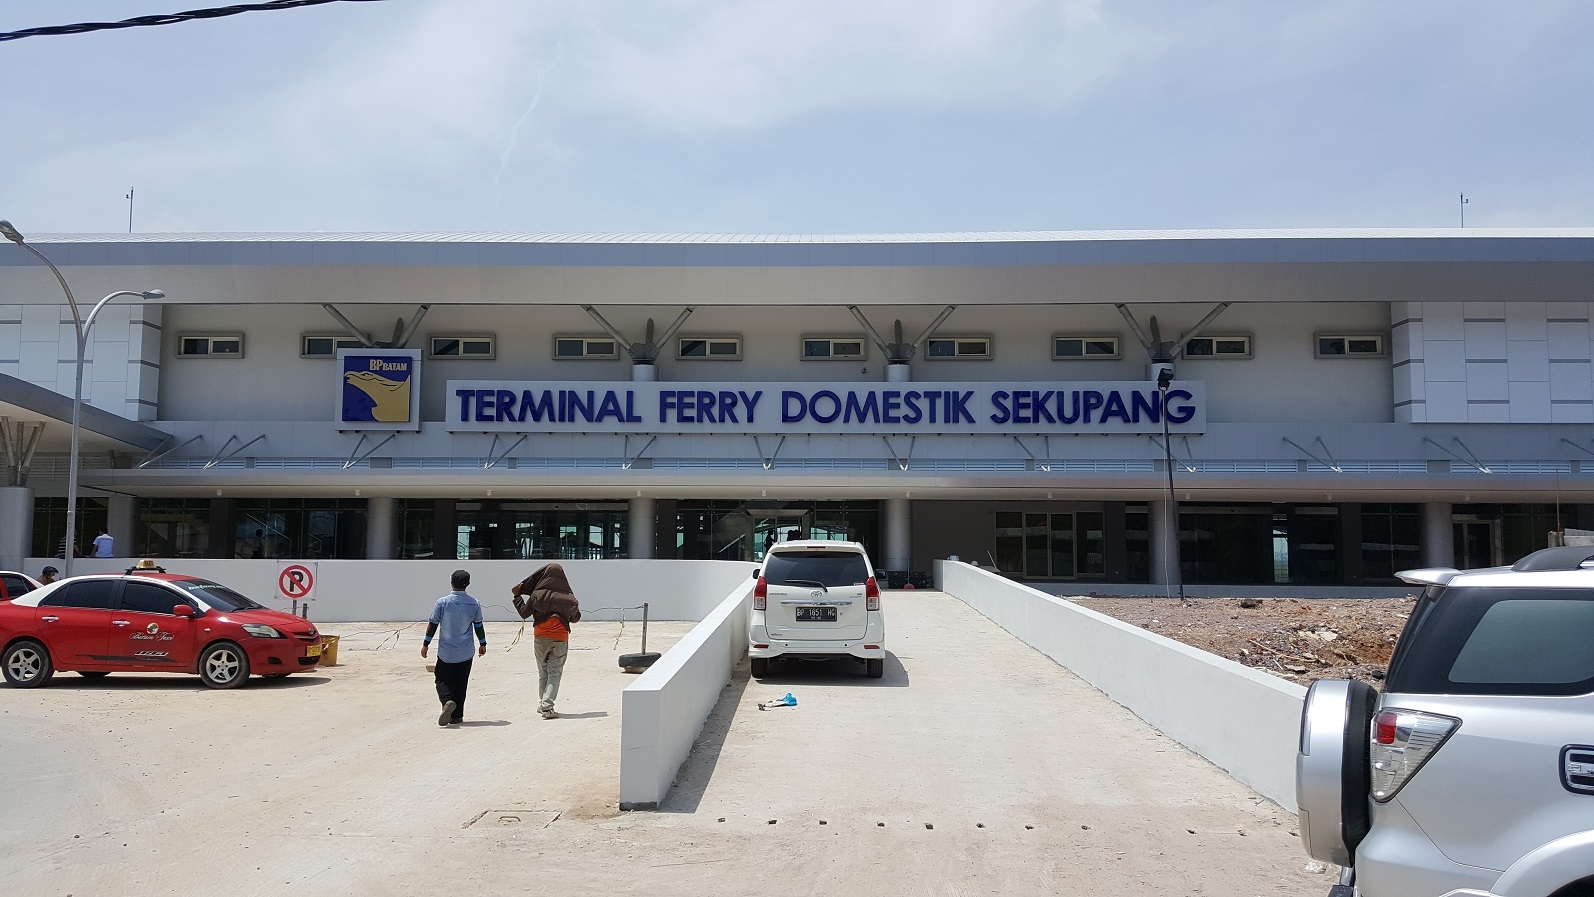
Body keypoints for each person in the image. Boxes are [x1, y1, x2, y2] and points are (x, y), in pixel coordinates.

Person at [512, 562, 581, 720]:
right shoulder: (570, 598)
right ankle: (547, 705)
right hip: (560, 638)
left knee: (543, 673)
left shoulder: (537, 595)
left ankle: (543, 703)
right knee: (554, 673)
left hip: (541, 637)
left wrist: (517, 596)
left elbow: (524, 613)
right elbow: (576, 618)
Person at [420, 569, 486, 727]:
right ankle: (457, 716)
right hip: (466, 652)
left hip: (446, 652)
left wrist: (426, 644)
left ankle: (447, 701)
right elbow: (478, 626)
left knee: (442, 679)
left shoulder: (442, 602)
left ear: (451, 583)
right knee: (461, 683)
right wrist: (483, 644)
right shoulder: (474, 603)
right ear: (468, 584)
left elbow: (433, 624)